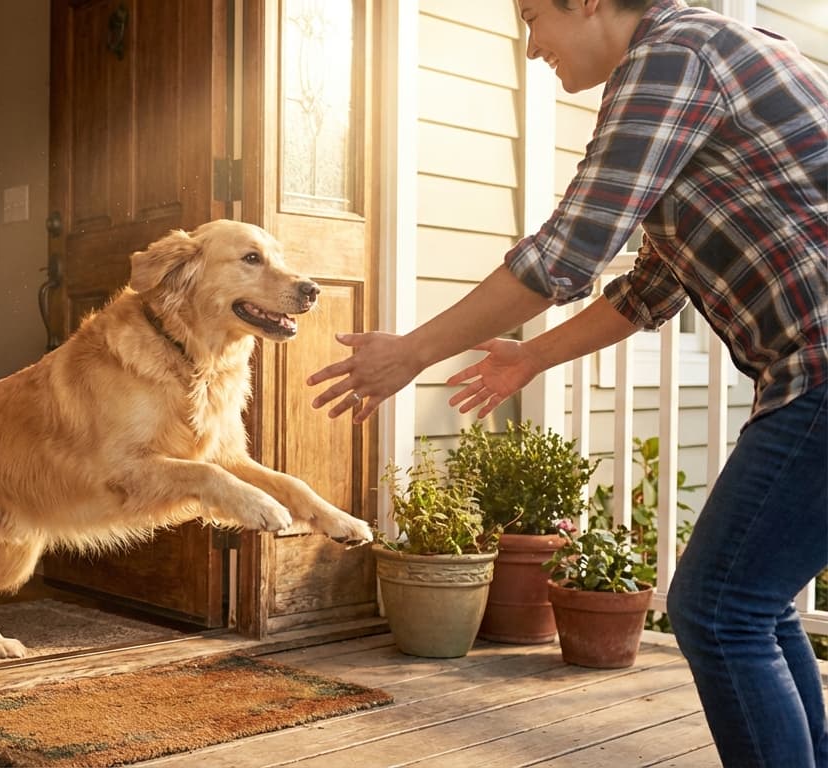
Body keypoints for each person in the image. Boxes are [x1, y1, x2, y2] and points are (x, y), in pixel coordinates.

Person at [307, 0, 827, 764]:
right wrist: (530, 358)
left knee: (718, 609)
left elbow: (567, 250)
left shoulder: (678, 55)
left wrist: (413, 351)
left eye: (532, 15)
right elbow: (653, 286)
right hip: (804, 377)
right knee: (753, 603)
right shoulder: (699, 57)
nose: (529, 46)